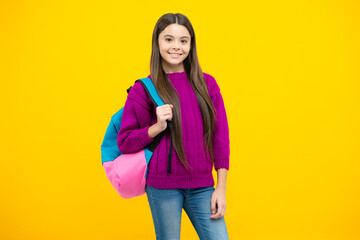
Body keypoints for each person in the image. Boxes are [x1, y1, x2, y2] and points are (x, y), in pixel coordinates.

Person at [117, 13, 230, 240]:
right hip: (163, 188)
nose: (176, 47)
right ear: (157, 43)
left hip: (203, 186)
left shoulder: (207, 84)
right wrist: (156, 127)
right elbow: (125, 142)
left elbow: (220, 137)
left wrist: (221, 188)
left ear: (191, 45)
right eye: (168, 39)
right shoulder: (144, 89)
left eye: (183, 40)